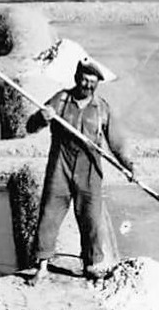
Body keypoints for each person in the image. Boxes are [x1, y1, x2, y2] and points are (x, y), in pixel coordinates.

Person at [22, 59, 136, 284]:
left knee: (91, 218)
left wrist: (128, 165)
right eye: (84, 80)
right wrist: (40, 118)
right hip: (60, 167)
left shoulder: (101, 108)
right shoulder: (60, 99)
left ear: (97, 84)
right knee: (49, 215)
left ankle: (91, 264)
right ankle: (42, 266)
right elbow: (30, 126)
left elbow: (117, 141)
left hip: (89, 170)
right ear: (76, 78)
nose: (87, 85)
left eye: (92, 82)